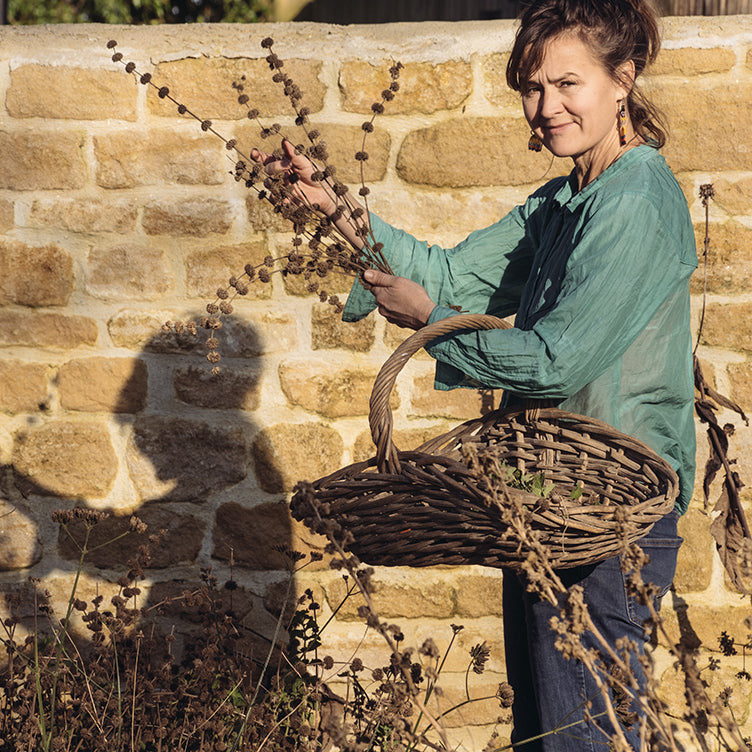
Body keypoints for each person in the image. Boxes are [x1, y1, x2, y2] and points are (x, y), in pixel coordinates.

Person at [253, 0, 696, 748]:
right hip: (549, 507)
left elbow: (556, 362)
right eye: (531, 87)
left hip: (612, 521)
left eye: (567, 83)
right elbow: (452, 272)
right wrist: (335, 210)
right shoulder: (562, 202)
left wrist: (430, 319)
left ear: (623, 80)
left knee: (578, 738)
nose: (547, 107)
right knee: (544, 732)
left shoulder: (634, 202)